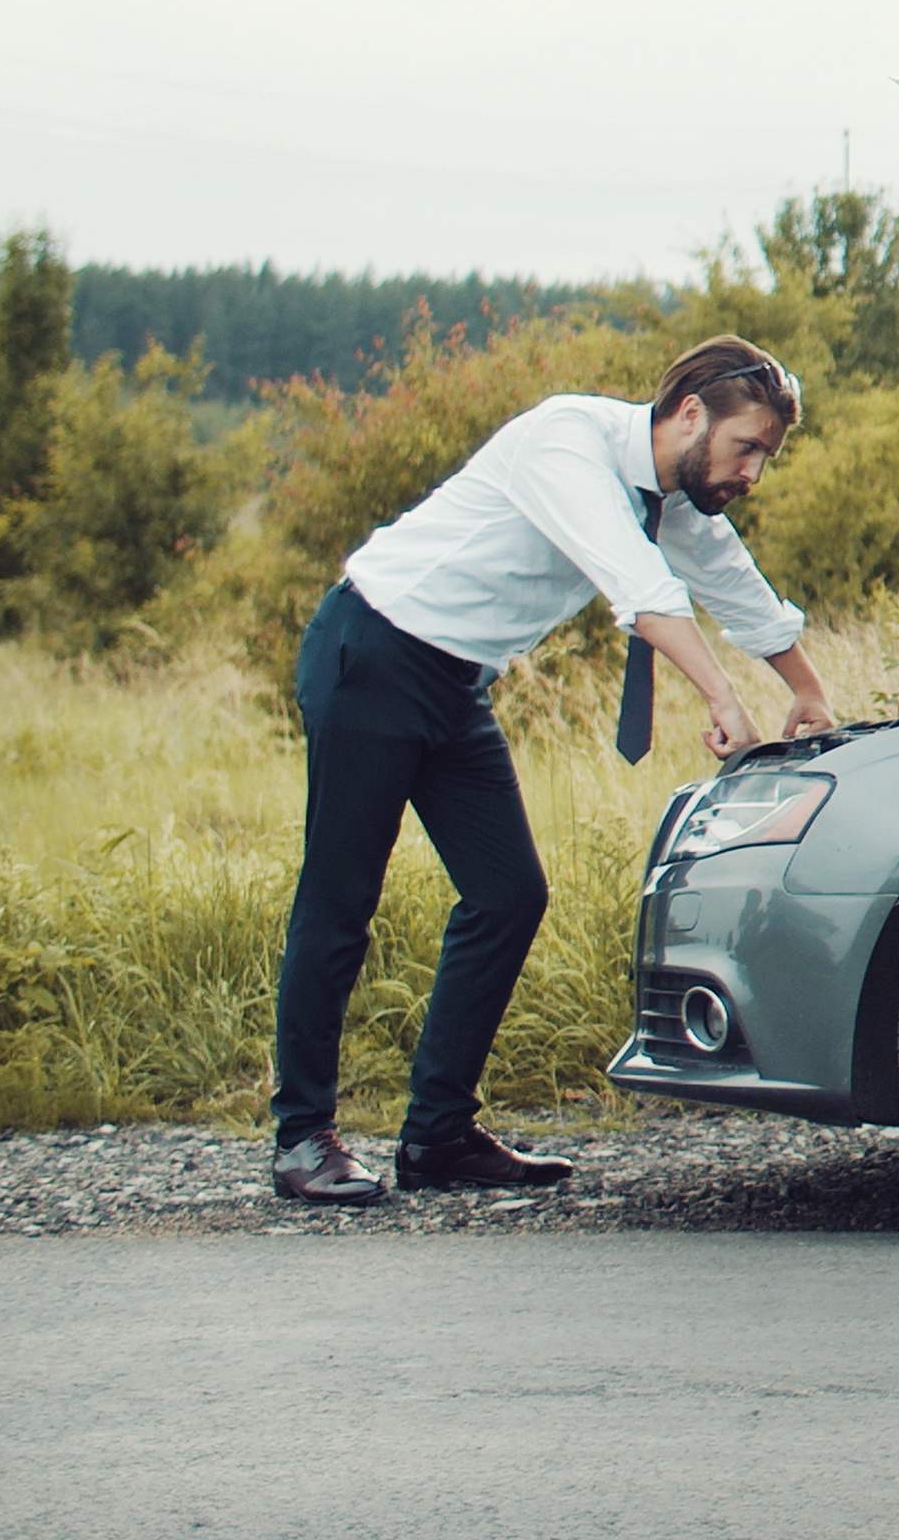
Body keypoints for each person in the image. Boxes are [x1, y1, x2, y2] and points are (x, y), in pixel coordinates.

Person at [267, 337, 836, 1206]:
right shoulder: (565, 442)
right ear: (690, 415)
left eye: (765, 455)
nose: (753, 472)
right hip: (373, 651)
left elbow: (734, 583)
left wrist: (808, 689)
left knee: (507, 896)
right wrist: (721, 697)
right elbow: (638, 585)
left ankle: (437, 1138)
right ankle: (303, 1136)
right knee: (341, 898)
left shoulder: (671, 497)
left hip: (456, 683)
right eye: (746, 447)